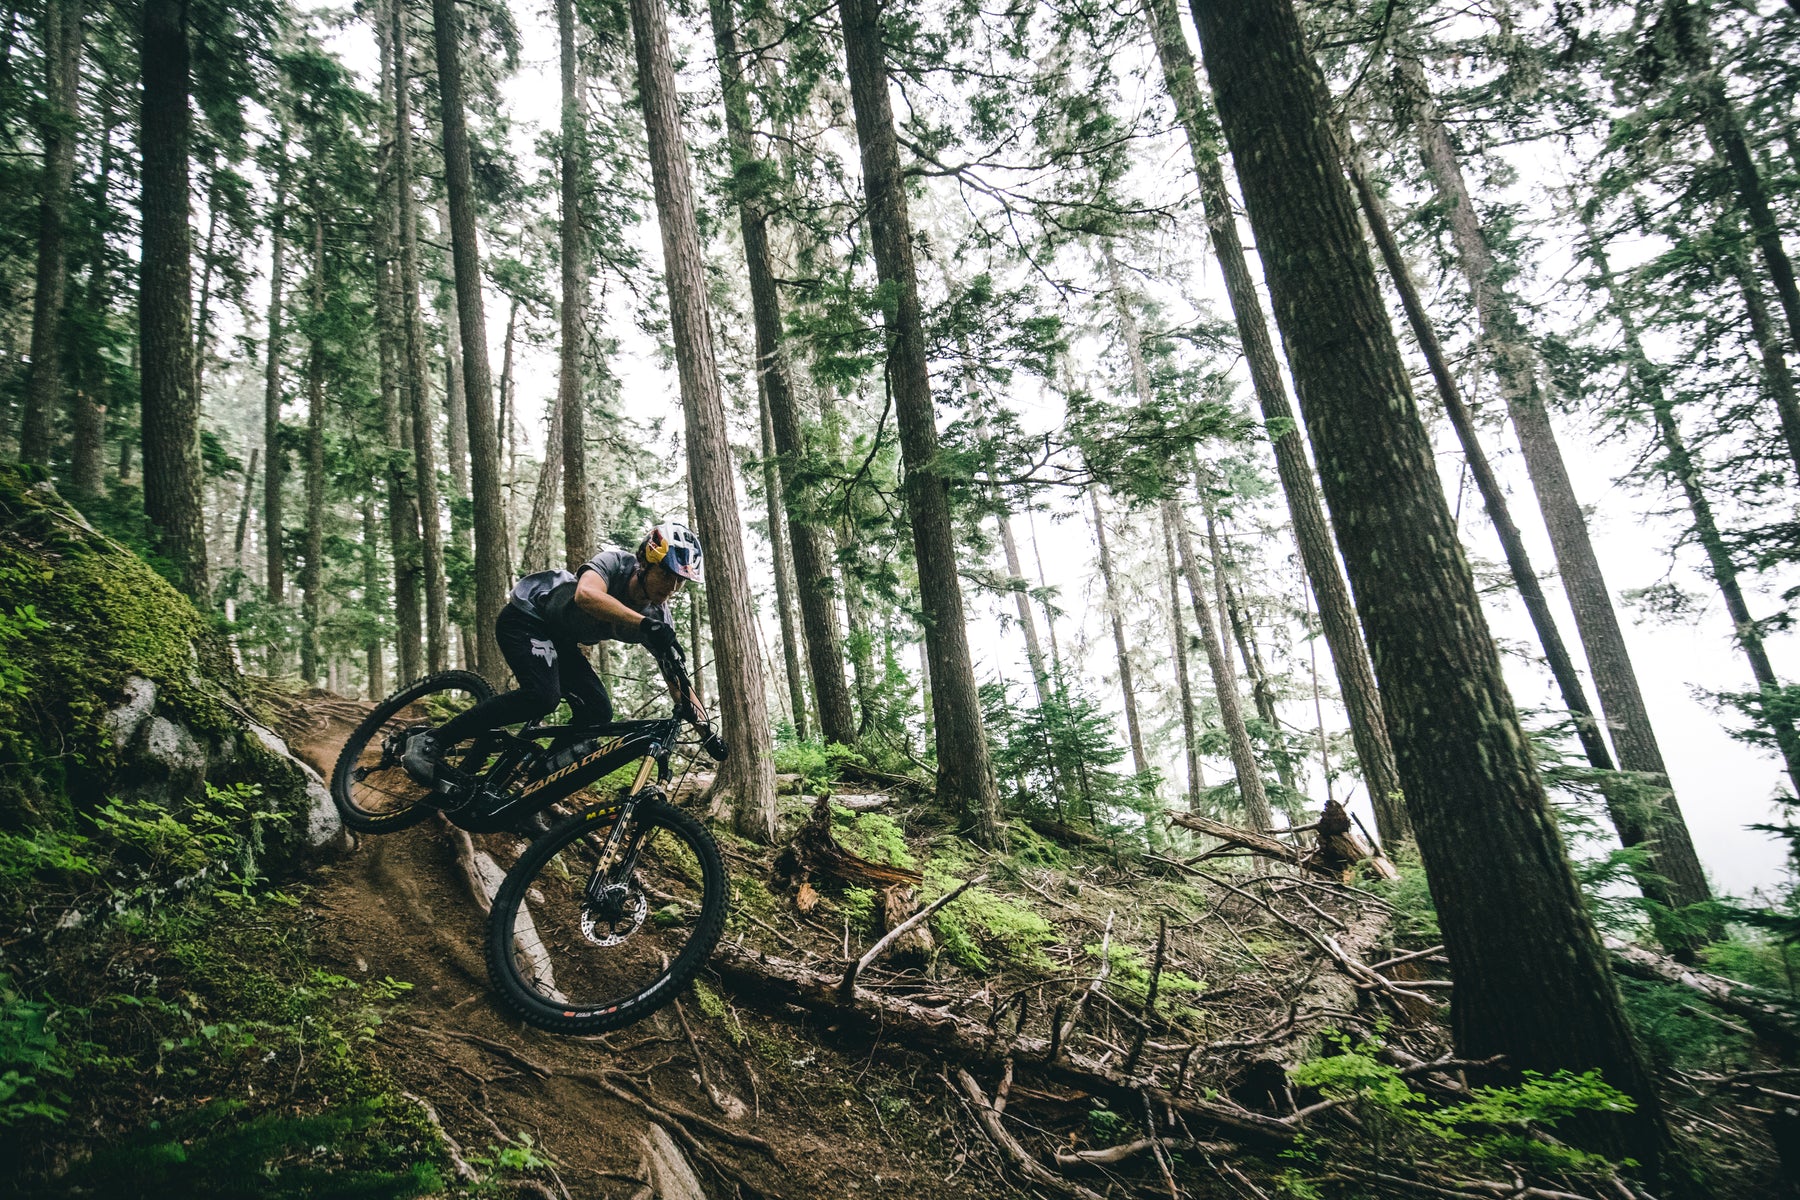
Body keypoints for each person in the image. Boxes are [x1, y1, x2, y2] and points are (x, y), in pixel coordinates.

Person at [402, 522, 714, 786]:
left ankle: (532, 789)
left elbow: (679, 684)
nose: (672, 588)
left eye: (680, 581)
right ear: (646, 562)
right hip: (526, 617)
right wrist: (645, 625)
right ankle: (433, 741)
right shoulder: (615, 564)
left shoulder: (659, 618)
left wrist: (707, 732)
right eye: (667, 575)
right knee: (542, 696)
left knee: (598, 712)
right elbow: (586, 595)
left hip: (560, 641)